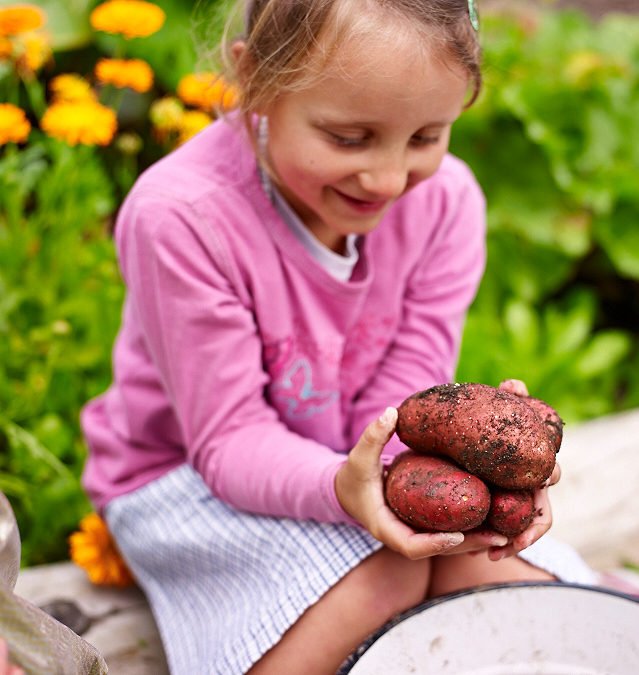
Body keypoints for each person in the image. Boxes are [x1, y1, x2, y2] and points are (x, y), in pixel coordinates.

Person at [79, 1, 601, 673]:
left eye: (425, 137)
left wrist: (477, 471)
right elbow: (230, 439)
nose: (386, 180)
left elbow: (402, 392)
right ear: (256, 80)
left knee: (502, 584)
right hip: (188, 475)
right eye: (350, 138)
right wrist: (349, 488)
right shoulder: (183, 217)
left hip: (355, 458)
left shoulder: (446, 206)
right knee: (390, 579)